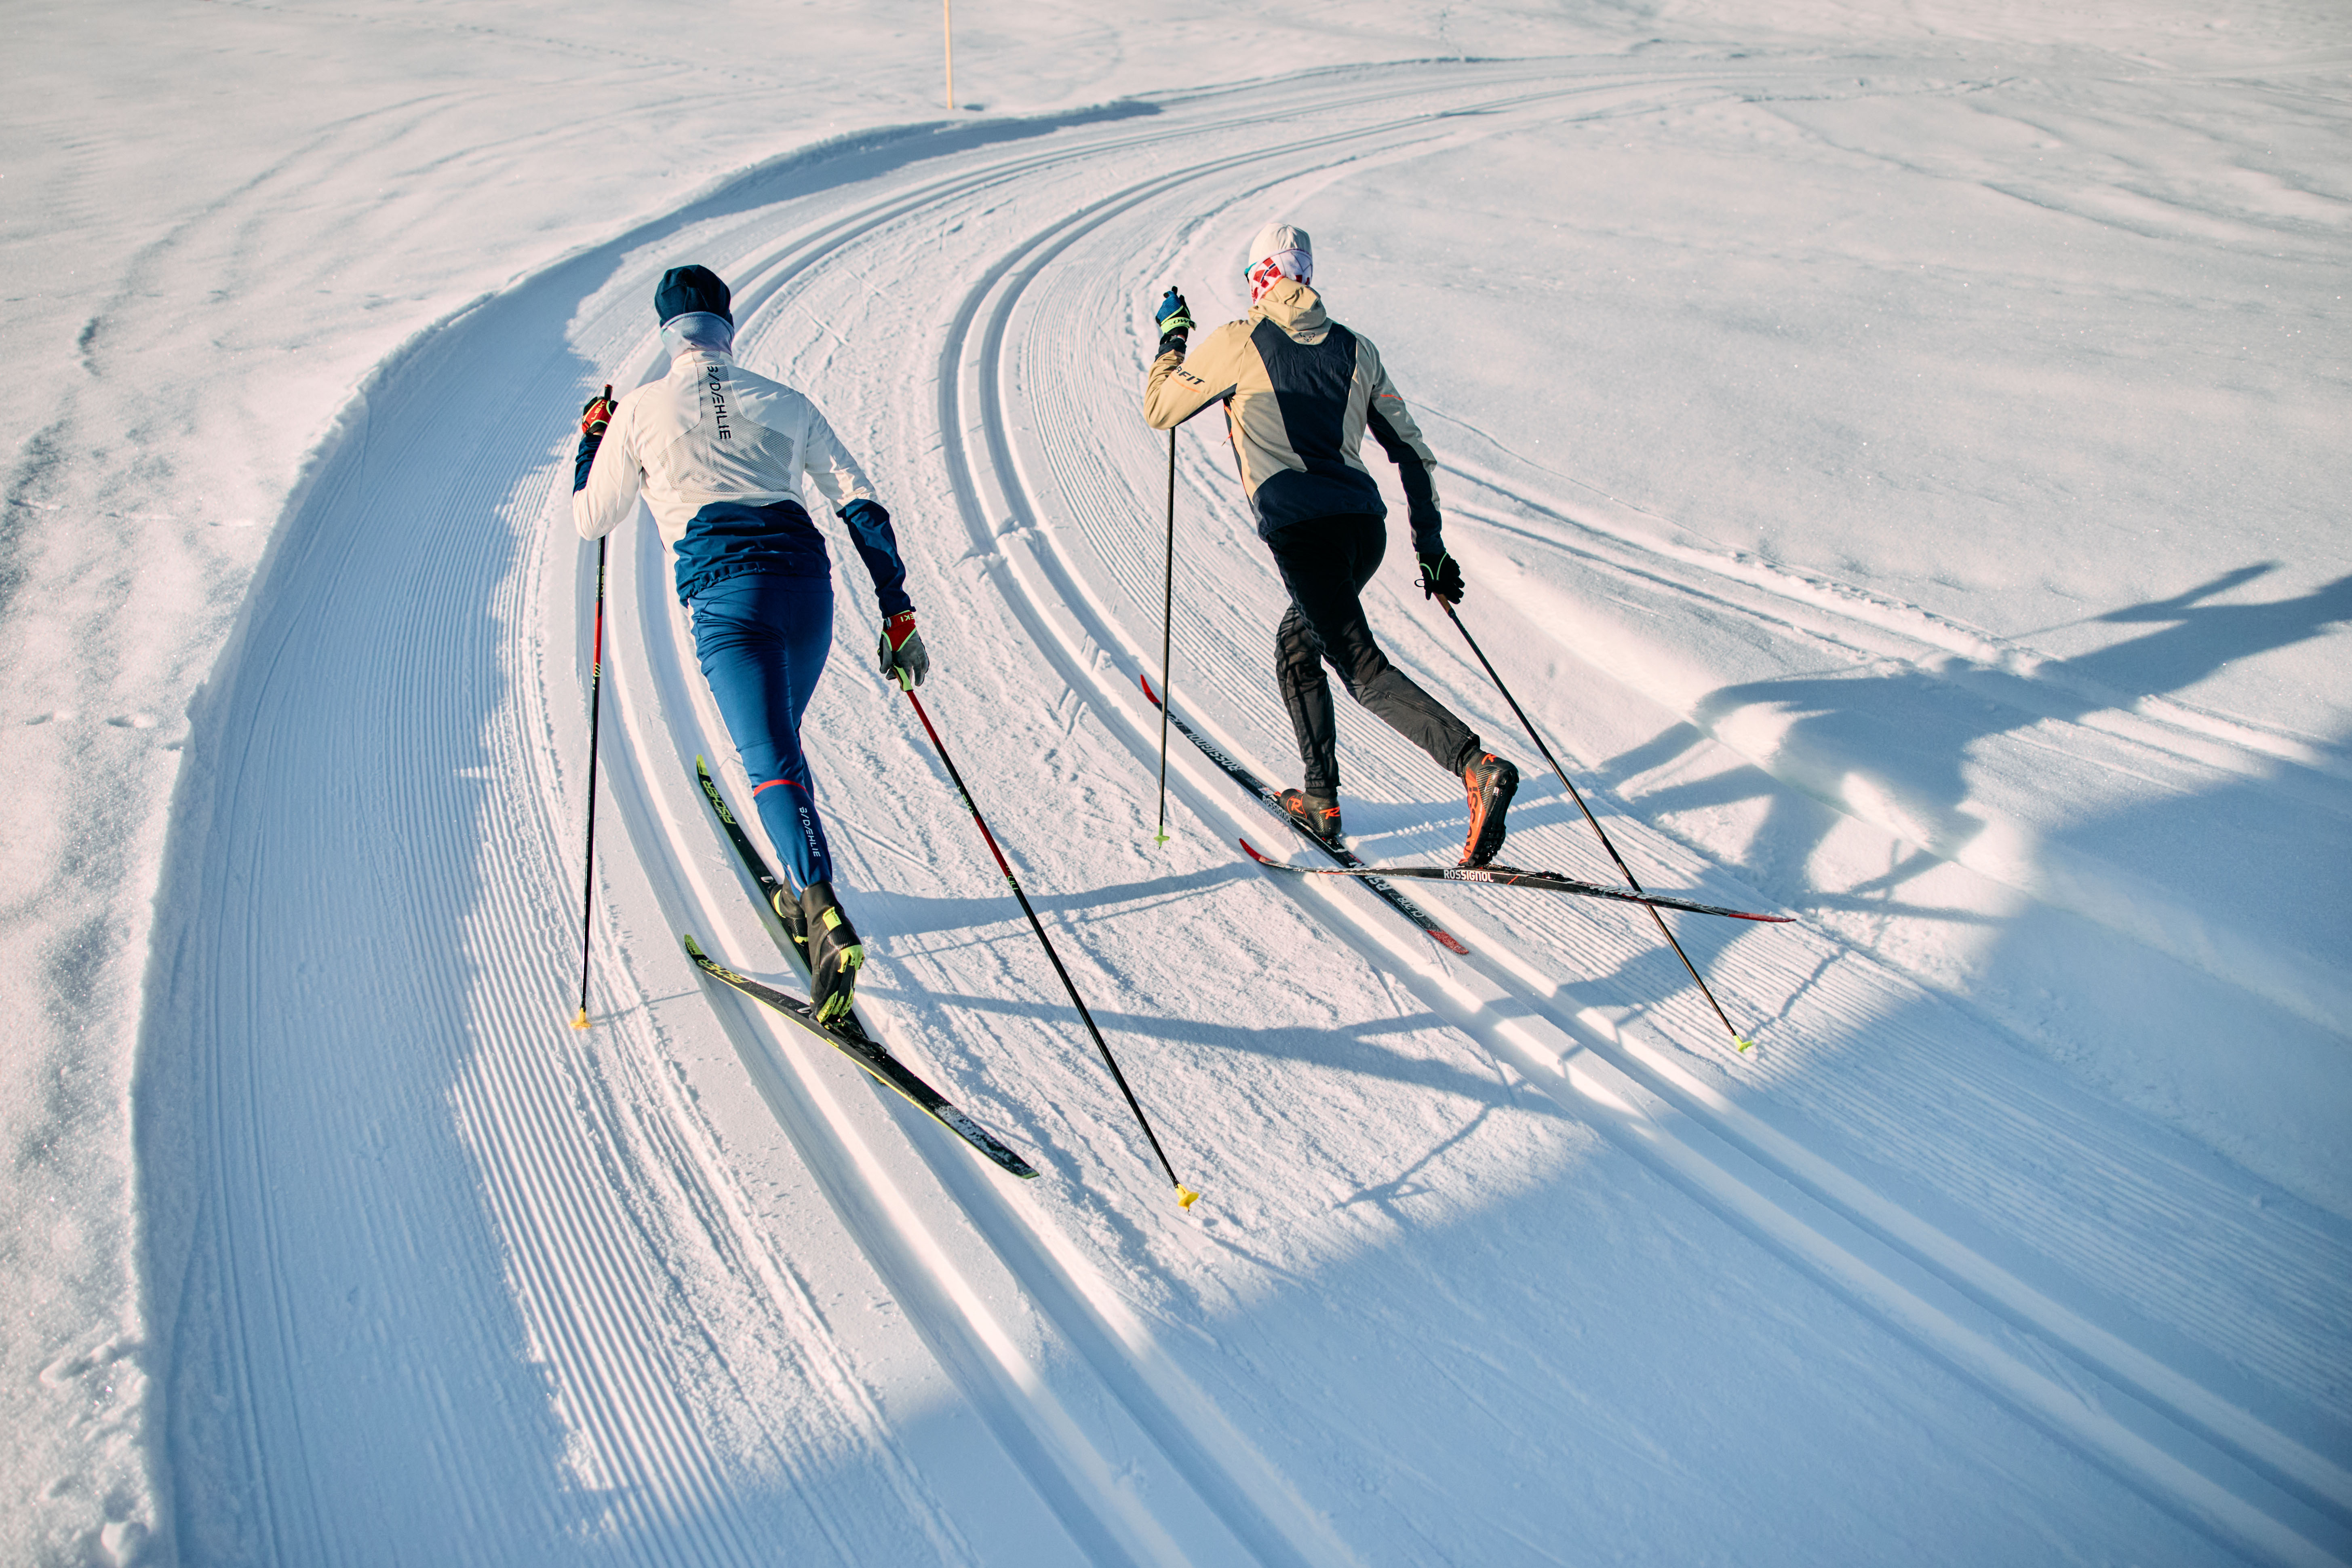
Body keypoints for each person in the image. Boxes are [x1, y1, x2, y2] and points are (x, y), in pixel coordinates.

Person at [572, 264, 928, 1022]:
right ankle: (803, 864)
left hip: (729, 605)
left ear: (667, 334)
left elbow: (592, 517)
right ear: (727, 327)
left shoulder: (638, 410)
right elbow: (862, 504)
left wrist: (594, 441)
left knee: (769, 760)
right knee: (781, 746)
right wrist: (897, 613)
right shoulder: (786, 400)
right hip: (808, 593)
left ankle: (819, 910)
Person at [1143, 223, 1517, 866]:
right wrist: (1430, 546)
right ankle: (1322, 802)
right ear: (1306, 275)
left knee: (1360, 668)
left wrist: (1173, 341)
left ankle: (1473, 764)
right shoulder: (1357, 348)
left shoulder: (1238, 342)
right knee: (1298, 646)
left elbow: (1160, 408)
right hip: (1360, 531)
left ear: (1261, 278)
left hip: (1303, 531)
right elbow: (1412, 452)